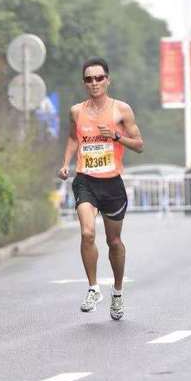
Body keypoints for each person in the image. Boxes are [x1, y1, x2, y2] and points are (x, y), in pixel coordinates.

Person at [58, 58, 143, 320]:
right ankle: (93, 288)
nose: (94, 83)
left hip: (112, 183)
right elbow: (74, 137)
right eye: (88, 79)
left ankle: (117, 293)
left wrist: (116, 136)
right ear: (84, 83)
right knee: (87, 233)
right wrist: (65, 164)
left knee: (114, 241)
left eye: (98, 78)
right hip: (86, 179)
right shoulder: (76, 111)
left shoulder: (121, 110)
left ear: (108, 80)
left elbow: (139, 144)